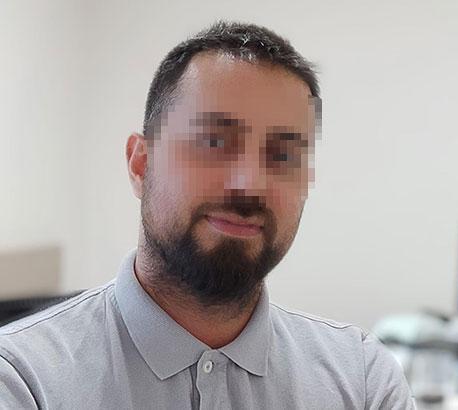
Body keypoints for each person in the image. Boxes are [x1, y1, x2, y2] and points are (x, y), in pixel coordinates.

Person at [0, 21, 415, 409]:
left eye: (283, 155)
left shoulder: (361, 379)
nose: (248, 184)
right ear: (140, 164)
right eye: (213, 142)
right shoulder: (23, 379)